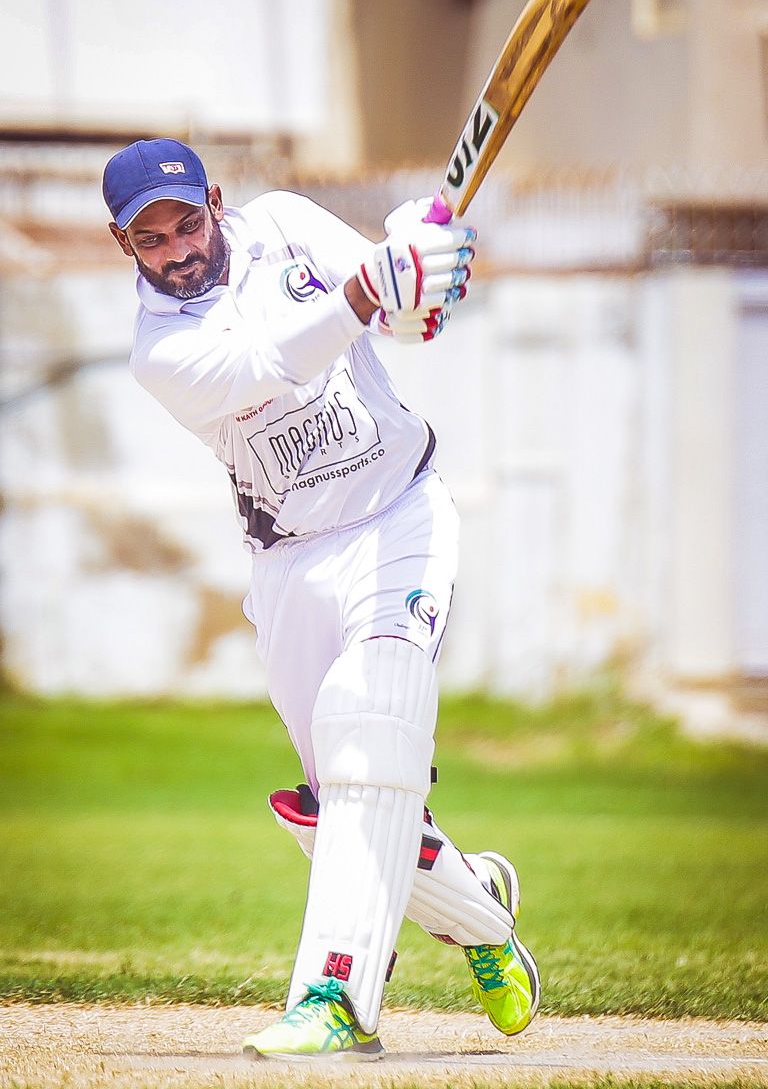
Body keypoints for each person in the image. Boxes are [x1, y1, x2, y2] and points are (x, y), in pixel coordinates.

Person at [102, 137, 540, 1060]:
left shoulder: (287, 225)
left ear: (215, 201)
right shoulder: (160, 350)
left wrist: (418, 274)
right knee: (334, 807)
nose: (178, 250)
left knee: (366, 734)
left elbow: (406, 320)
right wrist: (367, 291)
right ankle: (482, 913)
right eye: (152, 239)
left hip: (399, 518)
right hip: (291, 565)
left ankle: (336, 998)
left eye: (186, 224)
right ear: (123, 244)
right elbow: (270, 363)